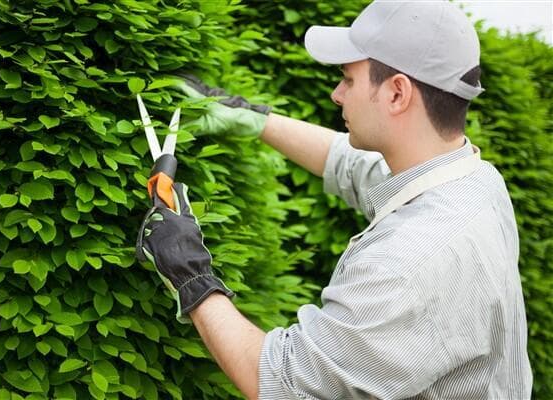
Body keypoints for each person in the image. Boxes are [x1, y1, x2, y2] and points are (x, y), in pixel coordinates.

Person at [136, 1, 533, 399]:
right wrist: (252, 118)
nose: (336, 94)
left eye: (348, 79)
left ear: (397, 93)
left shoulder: (410, 263)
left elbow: (283, 382)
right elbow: (352, 164)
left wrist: (189, 272)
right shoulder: (473, 179)